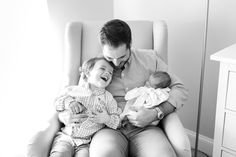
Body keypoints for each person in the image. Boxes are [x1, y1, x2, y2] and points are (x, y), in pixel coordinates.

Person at [60, 19, 191, 157]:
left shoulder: (150, 58)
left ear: (129, 46)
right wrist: (66, 115)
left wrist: (156, 112)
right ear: (102, 48)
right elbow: (76, 96)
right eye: (110, 57)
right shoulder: (94, 68)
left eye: (122, 56)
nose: (116, 63)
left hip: (146, 128)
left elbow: (179, 89)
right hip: (107, 128)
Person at [49, 57, 122, 157]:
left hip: (85, 143)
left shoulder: (108, 98)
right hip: (65, 137)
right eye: (102, 68)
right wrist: (69, 102)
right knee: (59, 154)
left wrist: (106, 119)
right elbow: (57, 102)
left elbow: (118, 121)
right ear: (88, 73)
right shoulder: (73, 90)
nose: (107, 73)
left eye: (110, 73)